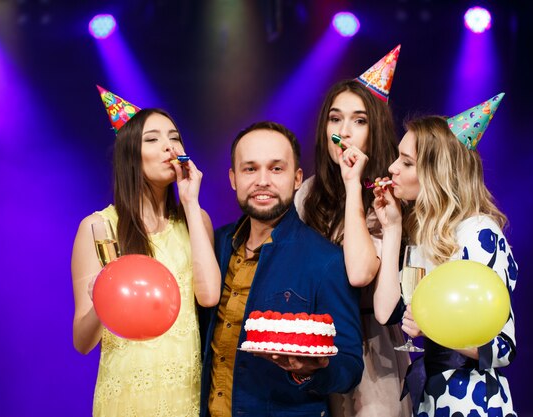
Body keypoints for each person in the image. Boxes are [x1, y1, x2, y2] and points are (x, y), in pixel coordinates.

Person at [72, 87, 221, 417]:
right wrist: (102, 298)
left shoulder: (196, 220)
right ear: (130, 154)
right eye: (153, 139)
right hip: (125, 397)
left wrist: (191, 203)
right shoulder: (98, 228)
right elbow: (82, 342)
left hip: (185, 395)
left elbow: (209, 296)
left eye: (175, 137)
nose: (170, 146)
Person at [199, 121, 364, 417]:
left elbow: (350, 367)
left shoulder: (325, 260)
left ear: (297, 178)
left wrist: (309, 370)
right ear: (233, 178)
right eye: (250, 169)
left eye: (277, 169)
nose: (263, 180)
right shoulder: (214, 246)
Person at [372, 93, 517, 416]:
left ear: (436, 172)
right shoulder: (423, 235)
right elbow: (386, 312)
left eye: (407, 162)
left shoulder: (479, 233)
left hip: (473, 401)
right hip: (432, 397)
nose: (393, 168)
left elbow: (502, 347)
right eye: (398, 158)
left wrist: (433, 327)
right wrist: (393, 228)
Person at [295, 46, 412, 417]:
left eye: (358, 120)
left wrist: (352, 186)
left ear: (374, 128)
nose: (343, 131)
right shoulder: (308, 193)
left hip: (372, 347)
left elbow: (361, 273)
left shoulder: (385, 196)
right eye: (335, 119)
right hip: (314, 344)